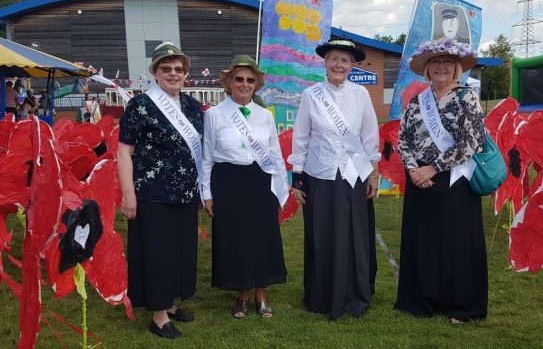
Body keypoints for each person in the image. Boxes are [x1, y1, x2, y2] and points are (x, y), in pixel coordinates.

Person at [395, 36, 487, 323]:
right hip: (419, 181)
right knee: (424, 242)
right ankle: (421, 299)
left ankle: (461, 306)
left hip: (453, 180)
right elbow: (403, 139)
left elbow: (471, 142)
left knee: (455, 244)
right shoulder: (417, 100)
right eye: (436, 62)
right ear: (427, 67)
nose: (441, 67)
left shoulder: (466, 97)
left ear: (456, 67)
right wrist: (413, 169)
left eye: (447, 62)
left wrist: (432, 169)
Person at [288, 39, 380, 319]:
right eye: (334, 59)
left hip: (353, 175)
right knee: (322, 235)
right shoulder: (311, 95)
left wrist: (373, 173)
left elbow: (369, 135)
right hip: (320, 174)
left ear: (352, 65)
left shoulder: (361, 95)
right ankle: (321, 295)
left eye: (345, 60)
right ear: (325, 62)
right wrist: (297, 177)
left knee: (354, 236)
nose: (339, 65)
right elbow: (301, 136)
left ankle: (353, 295)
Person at [117, 42, 203, 339]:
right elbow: (124, 152)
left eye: (179, 69)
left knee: (180, 251)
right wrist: (128, 193)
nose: (173, 73)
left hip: (185, 194)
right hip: (152, 194)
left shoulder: (192, 106)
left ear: (186, 73)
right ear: (154, 72)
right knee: (158, 253)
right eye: (166, 68)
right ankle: (158, 316)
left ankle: (171, 303)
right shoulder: (140, 105)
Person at [200, 55, 288, 319]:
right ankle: (242, 295)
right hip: (228, 182)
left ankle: (261, 294)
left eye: (250, 80)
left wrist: (280, 189)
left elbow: (275, 154)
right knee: (235, 238)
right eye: (239, 79)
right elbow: (206, 157)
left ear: (256, 84)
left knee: (262, 237)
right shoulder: (214, 115)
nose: (244, 84)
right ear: (228, 82)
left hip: (260, 181)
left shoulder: (265, 116)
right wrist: (207, 193)